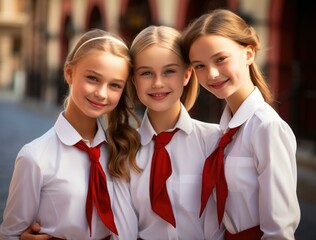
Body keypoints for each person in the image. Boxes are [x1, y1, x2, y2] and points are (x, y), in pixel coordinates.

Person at [0, 29, 141, 240]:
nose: (101, 93)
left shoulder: (122, 150)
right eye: (93, 78)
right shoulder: (34, 157)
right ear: (69, 73)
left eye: (115, 85)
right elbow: (10, 234)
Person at [181, 9, 300, 240]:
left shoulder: (267, 128)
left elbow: (280, 230)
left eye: (220, 59)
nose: (212, 74)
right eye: (200, 66)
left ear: (248, 54)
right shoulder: (223, 132)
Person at [112, 25, 224, 240]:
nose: (158, 83)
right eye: (146, 73)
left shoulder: (214, 140)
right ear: (134, 80)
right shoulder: (123, 147)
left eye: (169, 71)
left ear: (187, 74)